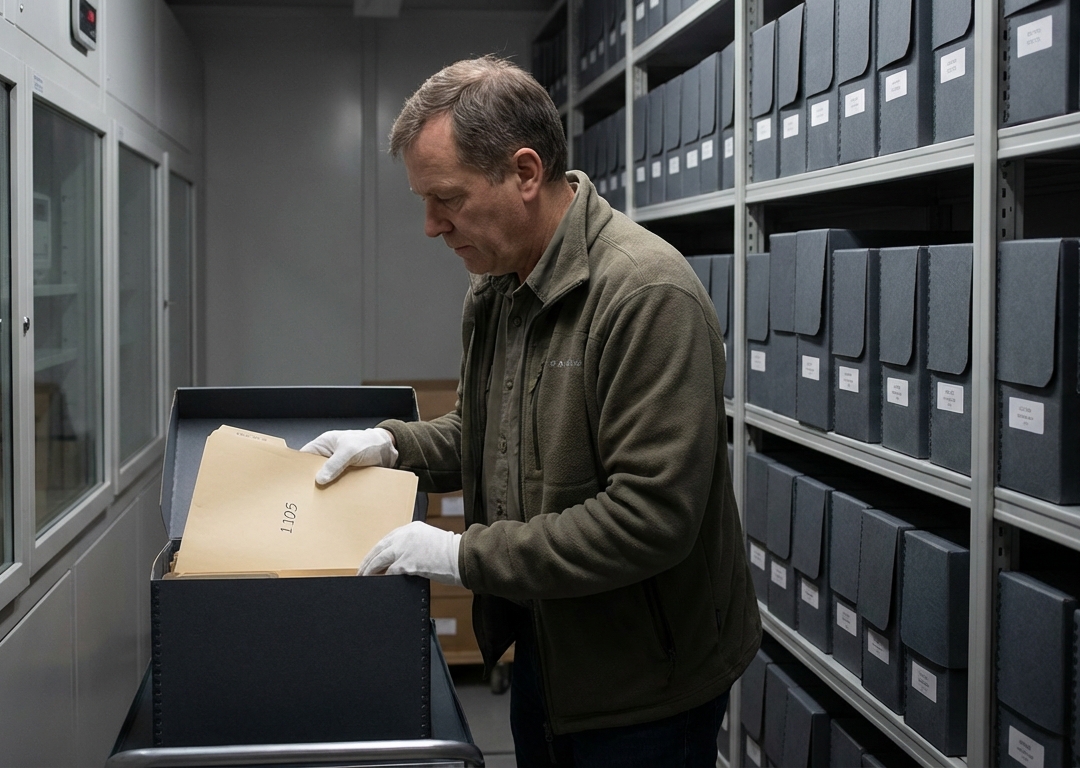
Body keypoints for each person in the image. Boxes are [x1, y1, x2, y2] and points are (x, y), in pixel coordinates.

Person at [301, 55, 759, 767]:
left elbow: (652, 517)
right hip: (548, 645)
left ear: (523, 173)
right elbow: (492, 434)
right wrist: (391, 447)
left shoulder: (645, 295)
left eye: (445, 198)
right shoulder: (500, 284)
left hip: (643, 684)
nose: (430, 226)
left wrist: (463, 555)